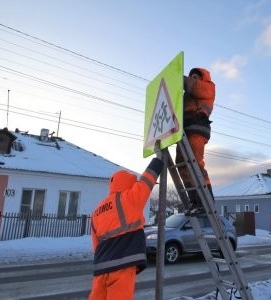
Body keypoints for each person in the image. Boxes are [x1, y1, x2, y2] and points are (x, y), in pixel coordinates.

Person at [89, 147, 164, 300]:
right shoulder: (129, 199)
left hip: (101, 267)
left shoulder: (97, 211)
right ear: (129, 184)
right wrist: (159, 158)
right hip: (122, 264)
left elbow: (95, 244)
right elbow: (147, 180)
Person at [175, 67, 216, 213]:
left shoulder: (208, 87)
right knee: (181, 164)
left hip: (197, 127)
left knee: (195, 164)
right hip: (184, 131)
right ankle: (195, 201)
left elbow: (194, 86)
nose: (193, 78)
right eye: (191, 76)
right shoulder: (187, 95)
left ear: (202, 78)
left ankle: (206, 201)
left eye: (195, 76)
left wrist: (179, 78)